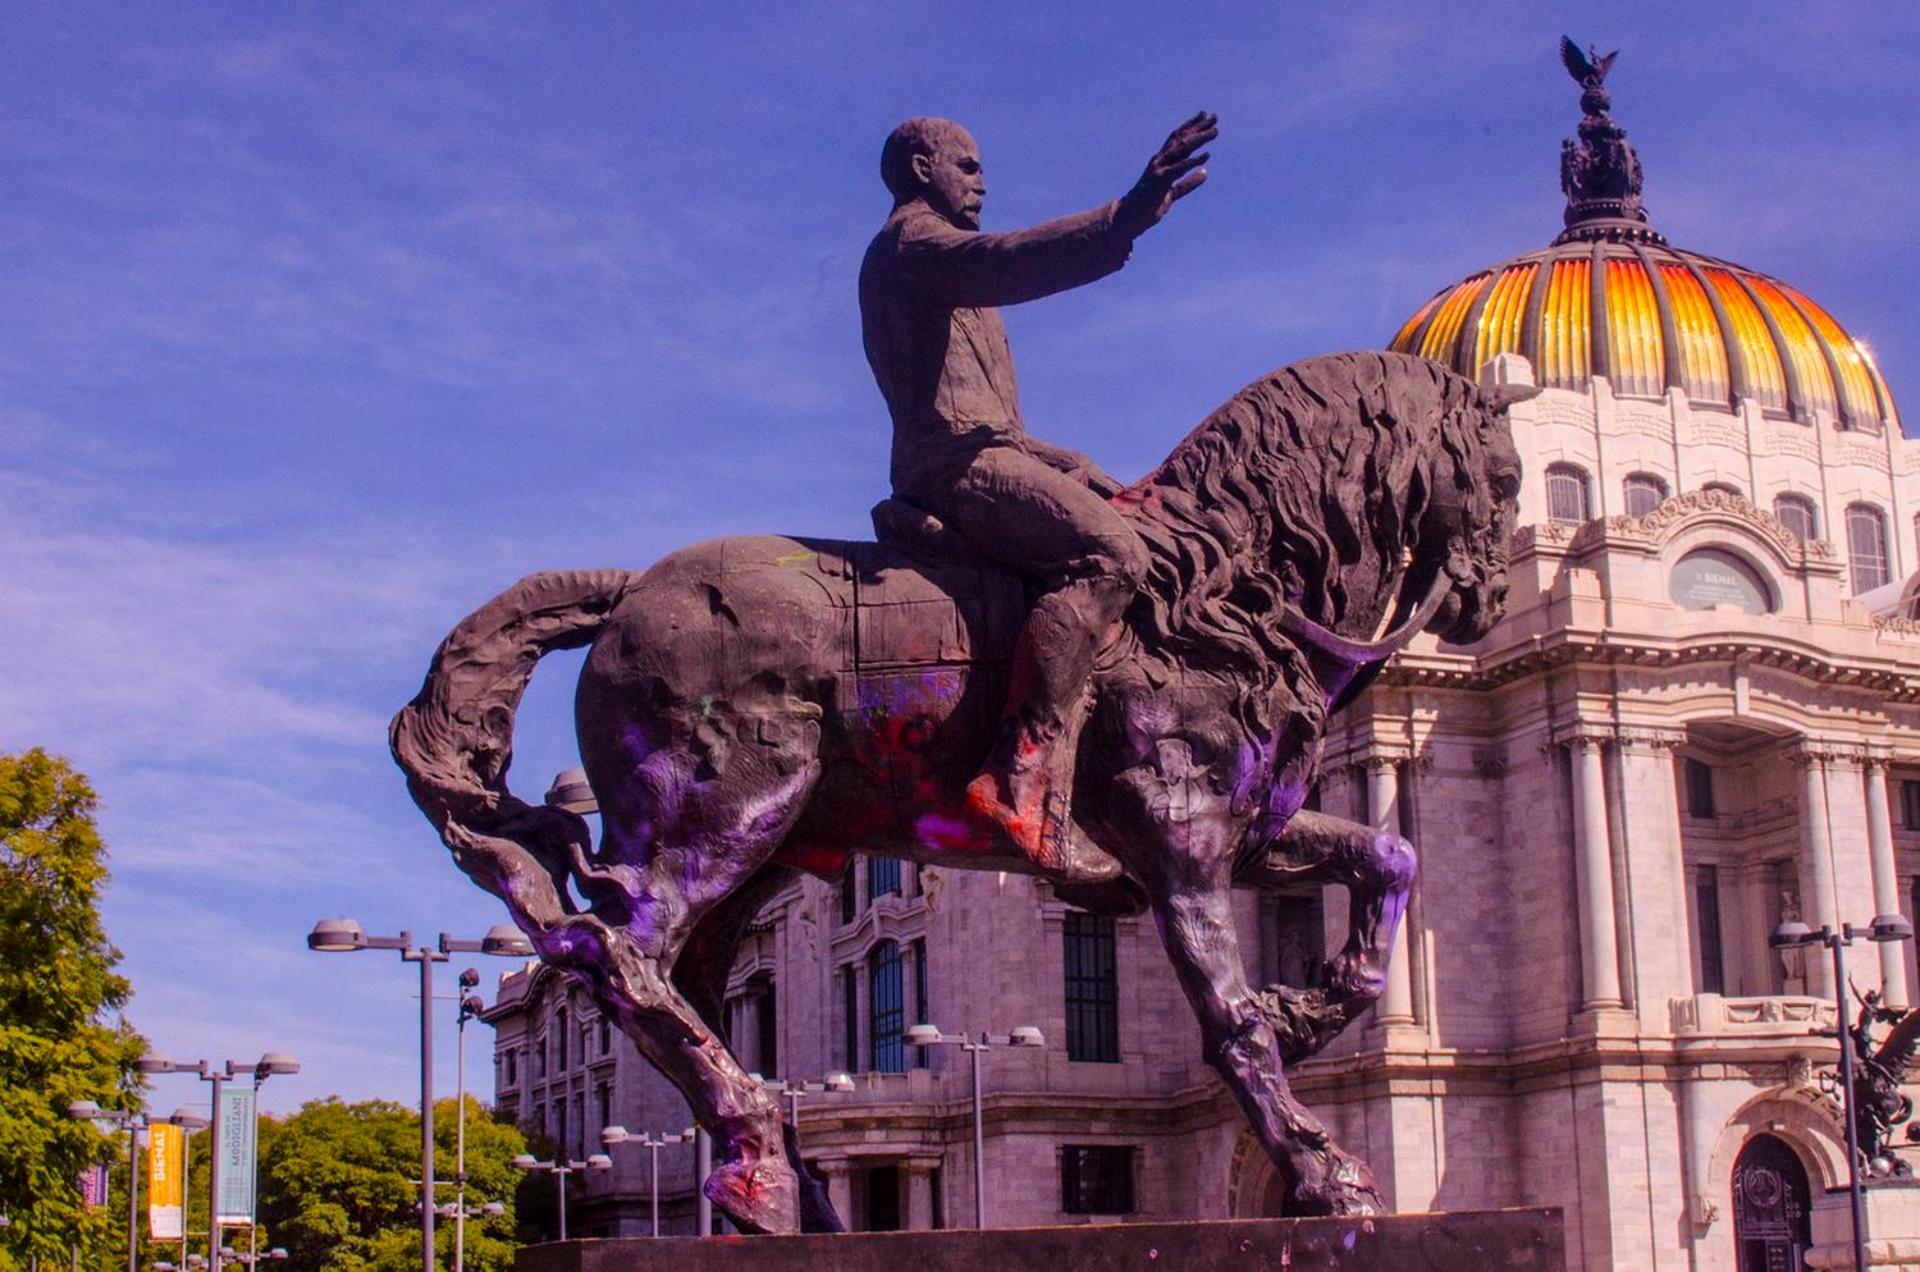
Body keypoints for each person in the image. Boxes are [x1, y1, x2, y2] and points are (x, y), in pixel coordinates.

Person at [858, 111, 1218, 881]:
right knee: (1111, 553)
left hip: (984, 455)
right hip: (952, 470)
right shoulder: (913, 244)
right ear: (921, 169)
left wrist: (1076, 465)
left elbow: (991, 422)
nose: (982, 181)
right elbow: (1008, 261)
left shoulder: (939, 265)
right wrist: (1122, 218)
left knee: (1132, 515)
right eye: (967, 164)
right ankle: (1018, 775)